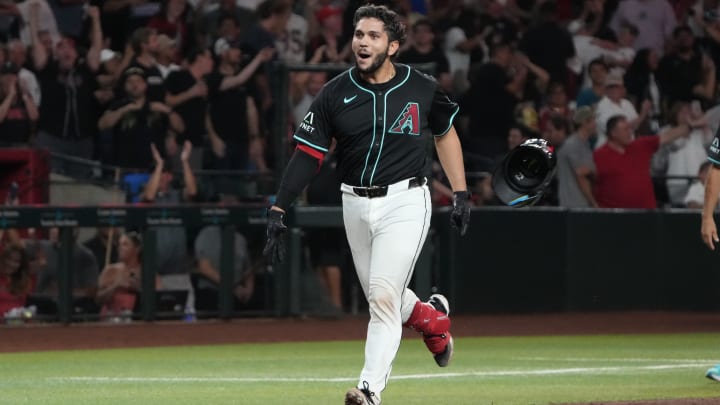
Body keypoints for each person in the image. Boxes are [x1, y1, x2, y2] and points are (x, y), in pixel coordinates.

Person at [262, 6, 471, 404]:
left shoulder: (421, 87)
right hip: (354, 203)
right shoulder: (334, 92)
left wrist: (460, 191)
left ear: (392, 46)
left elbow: (445, 134)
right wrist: (279, 207)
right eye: (359, 33)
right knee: (386, 295)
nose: (362, 41)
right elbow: (308, 154)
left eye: (374, 36)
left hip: (406, 199)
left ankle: (369, 391)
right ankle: (433, 320)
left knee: (381, 298)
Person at [593, 114, 696, 208]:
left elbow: (667, 136)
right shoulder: (599, 155)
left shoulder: (641, 145)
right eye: (626, 129)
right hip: (614, 215)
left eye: (630, 128)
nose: (630, 132)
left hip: (646, 212)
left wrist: (690, 126)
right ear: (613, 133)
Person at [557, 106, 598, 208]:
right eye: (593, 120)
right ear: (585, 123)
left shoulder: (584, 143)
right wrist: (593, 202)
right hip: (574, 204)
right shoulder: (573, 144)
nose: (595, 124)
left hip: (579, 203)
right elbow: (581, 175)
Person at [0, 243, 34, 320]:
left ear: (21, 265)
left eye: (16, 261)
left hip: (17, 325)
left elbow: (21, 308)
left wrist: (27, 314)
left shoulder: (22, 281)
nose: (11, 264)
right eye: (8, 259)